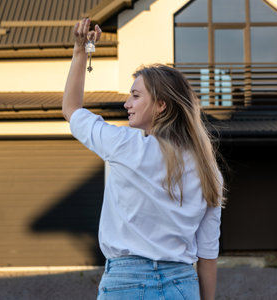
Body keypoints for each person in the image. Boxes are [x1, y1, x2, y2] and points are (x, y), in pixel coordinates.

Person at [63, 18, 224, 300]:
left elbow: (71, 108)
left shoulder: (124, 145)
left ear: (161, 105)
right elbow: (207, 254)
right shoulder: (208, 170)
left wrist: (81, 51)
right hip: (182, 286)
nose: (127, 103)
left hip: (125, 284)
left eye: (136, 96)